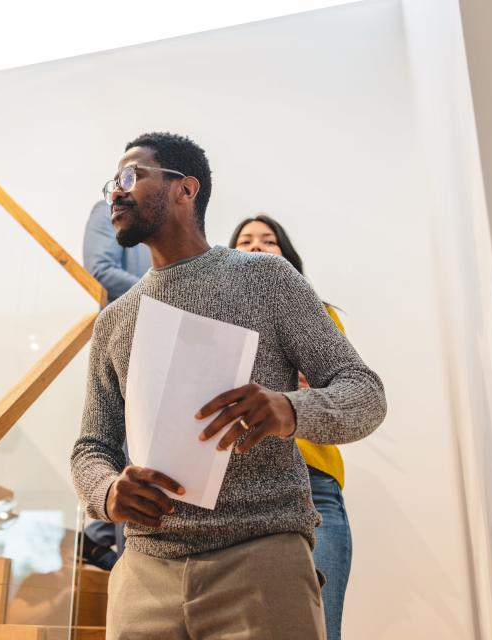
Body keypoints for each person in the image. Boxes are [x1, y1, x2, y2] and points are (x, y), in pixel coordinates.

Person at [70, 132, 387, 639]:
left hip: (262, 561)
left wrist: (290, 409)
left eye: (132, 176)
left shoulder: (267, 278)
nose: (116, 192)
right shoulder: (114, 321)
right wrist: (106, 492)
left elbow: (364, 393)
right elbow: (92, 445)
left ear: (185, 189)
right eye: (113, 182)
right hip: (144, 574)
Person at [230, 214, 351, 640]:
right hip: (237, 491)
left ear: (287, 257)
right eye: (245, 241)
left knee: (320, 629)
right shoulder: (213, 323)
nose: (257, 246)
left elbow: (347, 393)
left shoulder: (319, 316)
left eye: (269, 240)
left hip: (314, 483)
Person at [80, 200, 152, 569]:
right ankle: (113, 552)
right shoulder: (107, 212)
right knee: (124, 456)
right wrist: (164, 296)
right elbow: (99, 267)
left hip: (159, 347)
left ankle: (97, 540)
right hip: (126, 347)